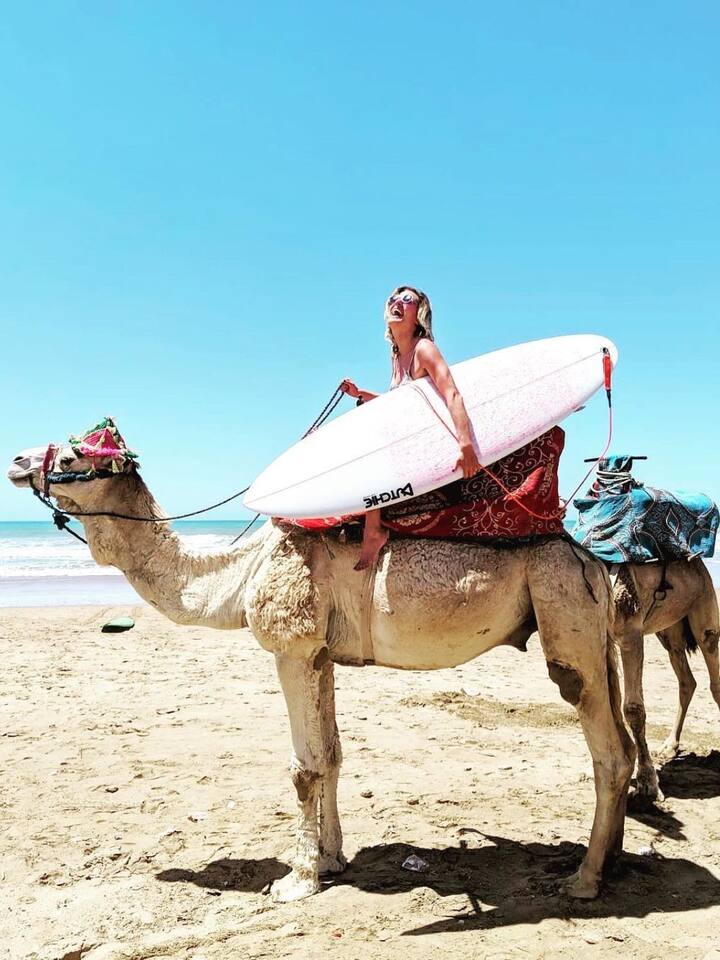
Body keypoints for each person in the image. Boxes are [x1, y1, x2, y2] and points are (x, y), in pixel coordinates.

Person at [340, 285, 481, 571]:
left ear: (419, 315)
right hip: (407, 439)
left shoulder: (424, 350)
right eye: (394, 298)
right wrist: (360, 394)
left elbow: (452, 393)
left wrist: (465, 445)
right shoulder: (397, 356)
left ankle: (373, 531)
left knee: (368, 444)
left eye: (408, 300)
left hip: (427, 442)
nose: (398, 302)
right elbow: (399, 402)